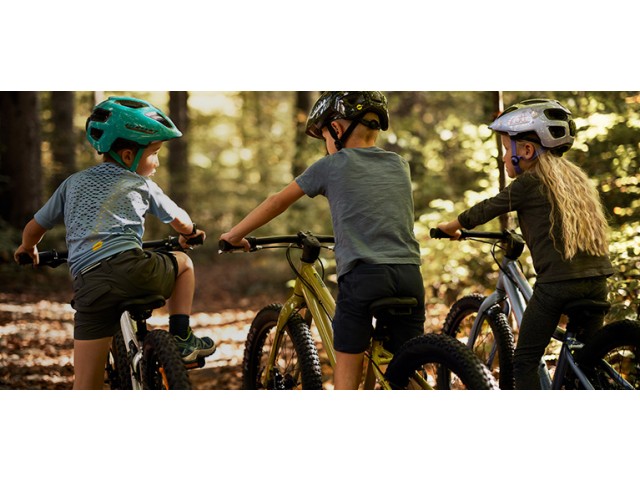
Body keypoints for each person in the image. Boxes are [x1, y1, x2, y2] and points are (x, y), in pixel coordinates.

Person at [220, 91, 425, 389]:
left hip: (364, 277)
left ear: (337, 130)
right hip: (409, 275)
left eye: (324, 136)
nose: (326, 144)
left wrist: (234, 235)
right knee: (404, 368)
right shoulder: (399, 164)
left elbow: (277, 201)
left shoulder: (331, 164)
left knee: (349, 362)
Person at [14, 96, 216, 389]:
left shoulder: (72, 184)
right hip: (133, 269)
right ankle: (182, 337)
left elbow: (34, 227)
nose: (157, 161)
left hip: (90, 286)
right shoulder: (141, 184)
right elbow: (181, 221)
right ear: (128, 155)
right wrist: (191, 232)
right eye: (154, 153)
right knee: (184, 264)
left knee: (86, 384)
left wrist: (28, 249)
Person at [437, 98, 614, 389]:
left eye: (507, 150)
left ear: (527, 151)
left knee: (525, 360)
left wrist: (452, 226)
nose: (504, 157)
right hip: (597, 281)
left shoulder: (529, 182)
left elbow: (487, 208)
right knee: (586, 361)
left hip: (558, 285)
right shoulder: (576, 181)